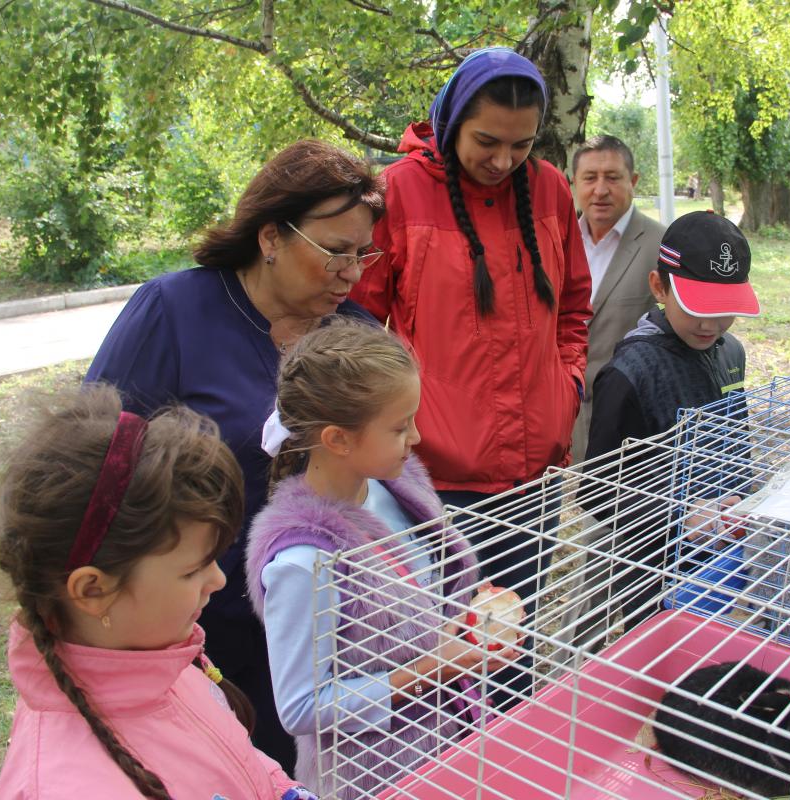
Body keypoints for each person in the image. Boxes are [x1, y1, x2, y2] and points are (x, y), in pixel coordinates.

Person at [85, 140, 385, 767]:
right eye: (334, 250)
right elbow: (98, 461)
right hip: (196, 621)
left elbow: (378, 465)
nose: (352, 272)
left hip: (314, 619)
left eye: (363, 253)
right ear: (271, 236)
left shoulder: (354, 332)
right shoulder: (173, 310)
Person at [350, 47, 591, 702]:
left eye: (521, 144)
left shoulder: (549, 190)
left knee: (513, 639)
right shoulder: (398, 191)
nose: (503, 160)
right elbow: (356, 325)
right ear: (452, 118)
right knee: (439, 651)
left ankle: (511, 760)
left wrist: (564, 390)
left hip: (534, 474)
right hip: (438, 478)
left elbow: (573, 306)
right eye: (487, 140)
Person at [0, 385, 316, 800]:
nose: (218, 581)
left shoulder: (161, 659)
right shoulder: (69, 787)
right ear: (93, 590)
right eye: (194, 570)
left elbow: (237, 760)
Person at [245, 321, 516, 798]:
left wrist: (470, 620)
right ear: (338, 439)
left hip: (445, 748)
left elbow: (423, 603)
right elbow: (301, 707)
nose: (416, 436)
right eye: (398, 426)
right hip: (373, 777)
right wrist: (430, 670)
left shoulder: (397, 483)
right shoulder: (303, 559)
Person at [561, 211, 759, 654]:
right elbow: (596, 490)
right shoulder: (630, 374)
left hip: (719, 551)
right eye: (696, 307)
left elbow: (737, 441)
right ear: (658, 287)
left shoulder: (730, 353)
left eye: (724, 310)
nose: (711, 324)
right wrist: (679, 516)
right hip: (652, 564)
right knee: (660, 659)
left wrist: (743, 497)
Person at [569, 134, 664, 463]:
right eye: (590, 178)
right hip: (562, 423)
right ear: (574, 183)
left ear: (633, 181)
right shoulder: (554, 241)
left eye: (612, 177)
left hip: (631, 429)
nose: (600, 190)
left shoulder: (661, 245)